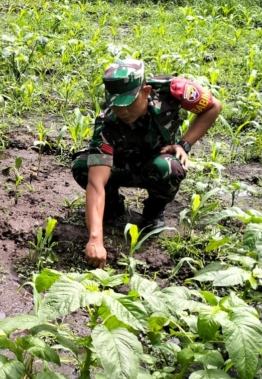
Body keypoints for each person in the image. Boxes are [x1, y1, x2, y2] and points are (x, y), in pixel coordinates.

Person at [72, 58, 223, 269]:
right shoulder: (106, 121)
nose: (122, 111)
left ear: (146, 91)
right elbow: (96, 183)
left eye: (128, 103)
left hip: (155, 163)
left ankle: (153, 212)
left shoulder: (173, 91)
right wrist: (95, 238)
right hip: (121, 166)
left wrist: (184, 144)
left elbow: (213, 107)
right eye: (116, 104)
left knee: (170, 167)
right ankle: (113, 208)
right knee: (82, 166)